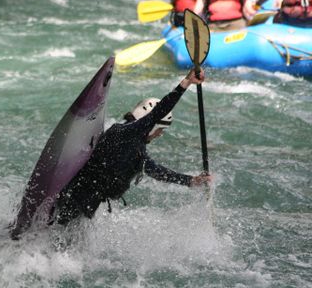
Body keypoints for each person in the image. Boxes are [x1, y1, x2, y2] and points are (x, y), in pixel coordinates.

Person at [53, 68, 212, 226]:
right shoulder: (128, 132)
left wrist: (191, 181)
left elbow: (157, 172)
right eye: (160, 130)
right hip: (75, 199)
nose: (159, 134)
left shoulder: (134, 147)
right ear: (153, 126)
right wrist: (186, 82)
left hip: (83, 204)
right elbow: (160, 111)